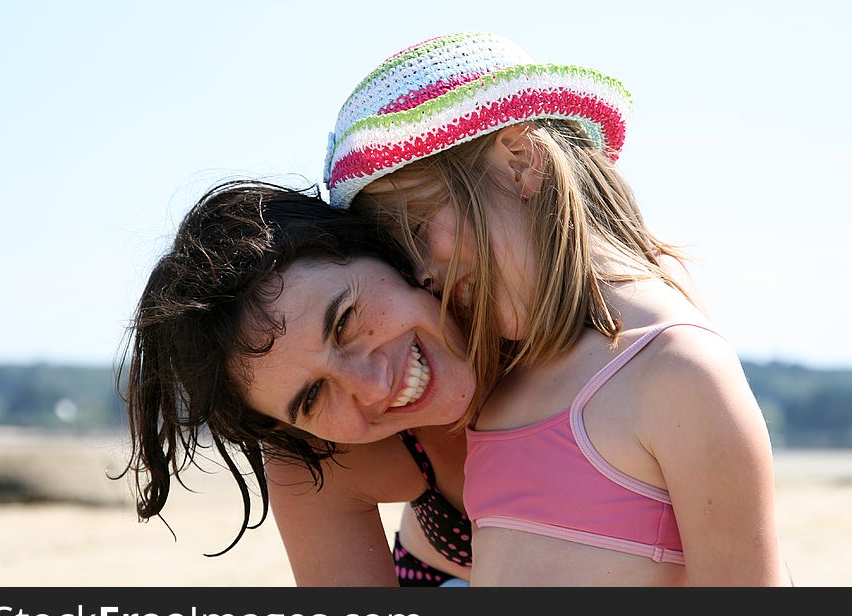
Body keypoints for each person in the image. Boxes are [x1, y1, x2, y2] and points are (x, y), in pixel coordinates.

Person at [323, 31, 792, 585]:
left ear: (522, 159)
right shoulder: (500, 368)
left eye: (420, 227)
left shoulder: (674, 369)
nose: (421, 273)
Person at [117, 179, 477, 586]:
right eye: (313, 396)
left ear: (373, 247)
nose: (373, 387)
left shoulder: (535, 304)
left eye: (344, 322)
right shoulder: (320, 457)